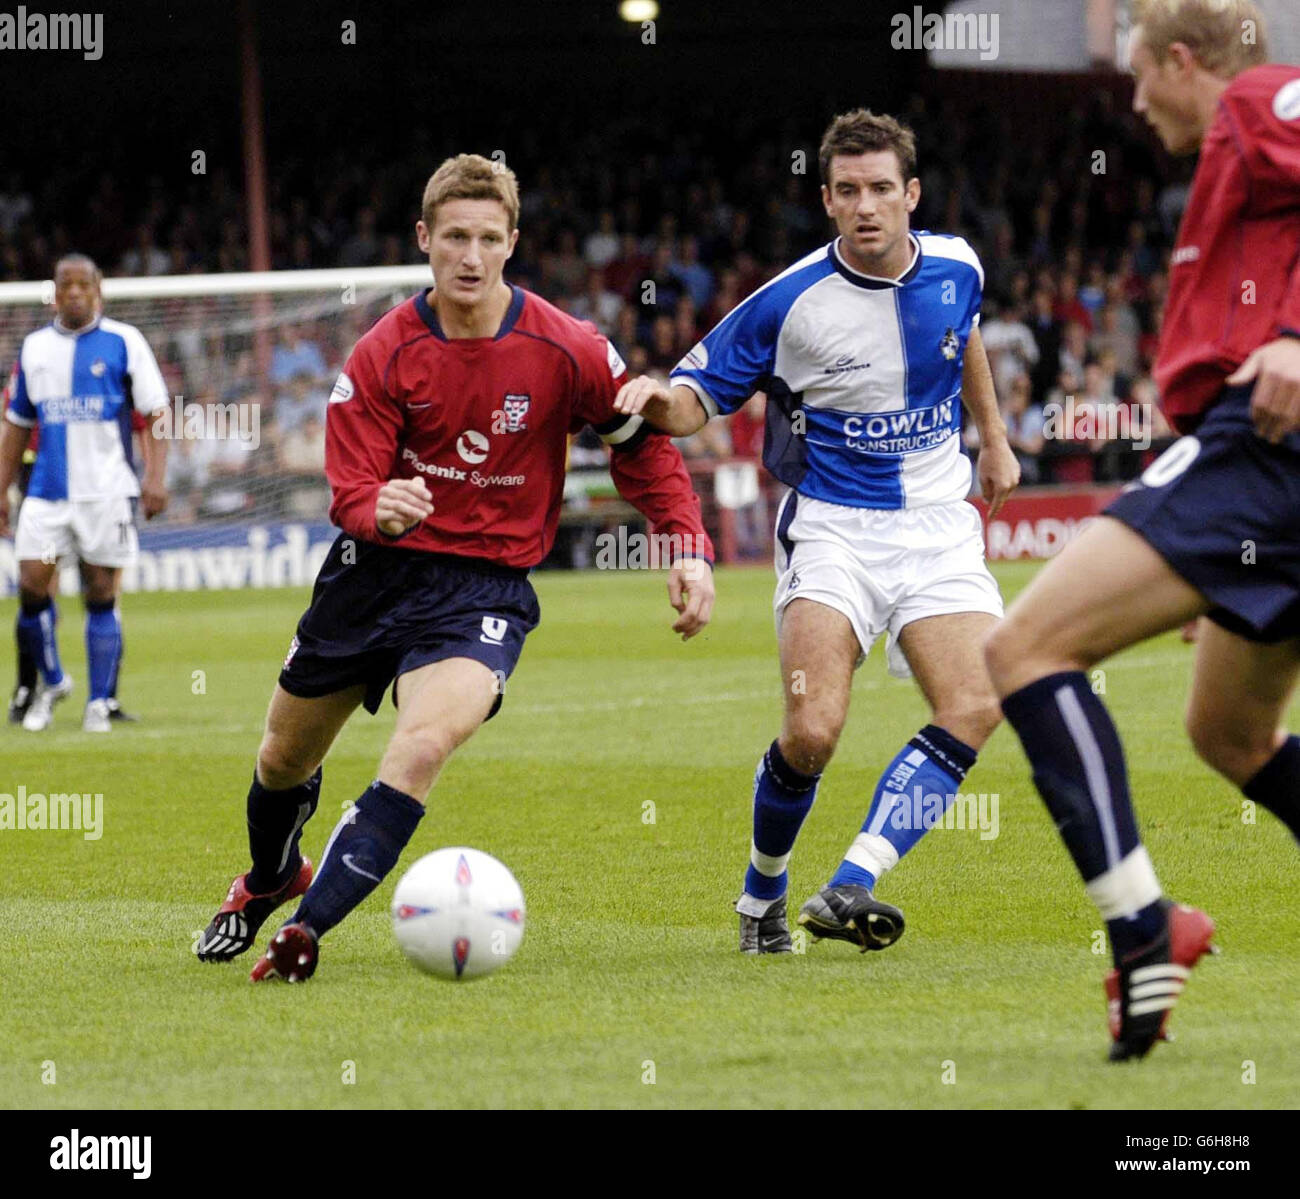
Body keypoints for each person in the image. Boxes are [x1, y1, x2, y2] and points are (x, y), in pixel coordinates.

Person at [195, 154, 716, 982]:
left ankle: (304, 931)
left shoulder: (568, 346)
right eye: (453, 239)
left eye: (487, 239)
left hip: (484, 589)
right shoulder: (382, 354)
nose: (470, 257)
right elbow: (351, 486)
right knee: (281, 761)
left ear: (513, 243)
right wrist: (379, 508)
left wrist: (685, 541)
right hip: (373, 573)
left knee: (423, 742)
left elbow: (639, 447)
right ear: (424, 241)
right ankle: (268, 878)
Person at [615, 110, 1019, 955]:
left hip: (940, 523)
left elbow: (966, 334)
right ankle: (762, 892)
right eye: (847, 192)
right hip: (834, 527)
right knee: (811, 731)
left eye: (881, 189)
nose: (866, 206)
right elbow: (697, 397)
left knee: (978, 700)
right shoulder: (788, 302)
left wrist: (996, 439)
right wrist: (658, 399)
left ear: (911, 193)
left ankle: (855, 879)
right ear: (826, 200)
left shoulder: (958, 266)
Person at [984, 0, 1300, 1060]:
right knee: (1228, 731)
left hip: (1264, 450)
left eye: (1136, 77)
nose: (1130, 101)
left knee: (1021, 649)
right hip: (1255, 482)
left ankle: (1142, 927)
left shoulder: (1257, 100)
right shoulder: (1237, 161)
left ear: (1179, 60)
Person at [0, 254, 169, 732]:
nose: (74, 293)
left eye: (83, 285)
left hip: (107, 492)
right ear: (53, 293)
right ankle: (52, 680)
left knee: (100, 590)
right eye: (65, 285)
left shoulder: (125, 342)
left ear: (99, 291)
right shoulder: (33, 348)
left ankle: (99, 702)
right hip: (46, 492)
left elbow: (156, 414)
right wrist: (0, 489)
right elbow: (16, 425)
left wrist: (154, 478)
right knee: (32, 583)